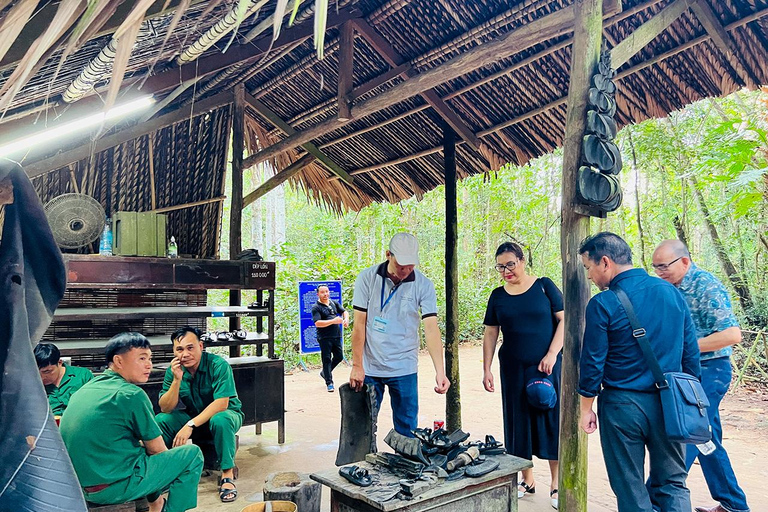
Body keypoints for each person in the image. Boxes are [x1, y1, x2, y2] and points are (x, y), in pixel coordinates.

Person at [578, 232, 700, 512]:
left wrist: (586, 408)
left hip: (623, 407)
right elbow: (690, 356)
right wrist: (687, 400)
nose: (589, 276)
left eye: (589, 268)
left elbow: (593, 362)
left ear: (605, 262)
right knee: (672, 483)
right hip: (670, 403)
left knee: (630, 488)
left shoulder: (603, 303)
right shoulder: (671, 292)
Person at [652, 240, 749, 512]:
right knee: (707, 439)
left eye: (664, 266)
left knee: (686, 432)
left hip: (711, 371)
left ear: (684, 261)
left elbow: (732, 335)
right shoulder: (667, 289)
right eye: (655, 267)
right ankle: (734, 504)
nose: (660, 272)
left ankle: (655, 500)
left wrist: (683, 346)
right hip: (685, 372)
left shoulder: (705, 285)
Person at [60, 333, 203, 512]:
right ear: (119, 361)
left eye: (150, 358)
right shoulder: (131, 394)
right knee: (191, 455)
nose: (148, 364)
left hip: (80, 486)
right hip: (112, 488)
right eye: (141, 358)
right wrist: (168, 469)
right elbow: (157, 450)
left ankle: (156, 505)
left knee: (141, 450)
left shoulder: (86, 389)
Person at [482, 241, 564, 509]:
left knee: (550, 420)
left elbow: (565, 319)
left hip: (546, 366)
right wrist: (486, 368)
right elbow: (491, 333)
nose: (506, 271)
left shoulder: (544, 286)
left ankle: (556, 484)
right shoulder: (498, 296)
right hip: (513, 368)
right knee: (518, 424)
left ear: (522, 261)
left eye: (510, 264)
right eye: (501, 267)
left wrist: (552, 353)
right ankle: (526, 480)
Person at [349, 232, 450, 436]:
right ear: (388, 255)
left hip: (404, 366)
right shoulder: (367, 278)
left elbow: (431, 328)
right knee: (362, 428)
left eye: (411, 265)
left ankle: (406, 465)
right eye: (401, 265)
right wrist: (357, 365)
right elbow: (359, 325)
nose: (406, 270)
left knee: (407, 429)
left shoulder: (424, 285)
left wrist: (440, 370)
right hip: (370, 367)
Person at [155, 326, 243, 503]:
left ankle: (227, 474)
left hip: (226, 415)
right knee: (161, 420)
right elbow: (165, 407)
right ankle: (162, 472)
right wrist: (177, 380)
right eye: (179, 349)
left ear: (201, 346)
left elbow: (221, 403)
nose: (185, 354)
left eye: (190, 347)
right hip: (194, 416)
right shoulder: (174, 371)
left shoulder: (218, 365)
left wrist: (189, 425)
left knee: (221, 419)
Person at [34, 342, 93, 416]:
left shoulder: (82, 375)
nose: (42, 377)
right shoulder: (33, 385)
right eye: (37, 373)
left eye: (47, 371)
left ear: (59, 362)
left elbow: (93, 405)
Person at [312, 284, 349, 392]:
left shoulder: (333, 303)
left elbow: (344, 311)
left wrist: (345, 319)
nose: (325, 294)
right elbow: (317, 323)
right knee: (326, 359)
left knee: (339, 356)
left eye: (327, 291)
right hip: (325, 337)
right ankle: (329, 382)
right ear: (318, 294)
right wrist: (333, 321)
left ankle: (325, 372)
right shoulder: (316, 307)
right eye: (322, 292)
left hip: (336, 335)